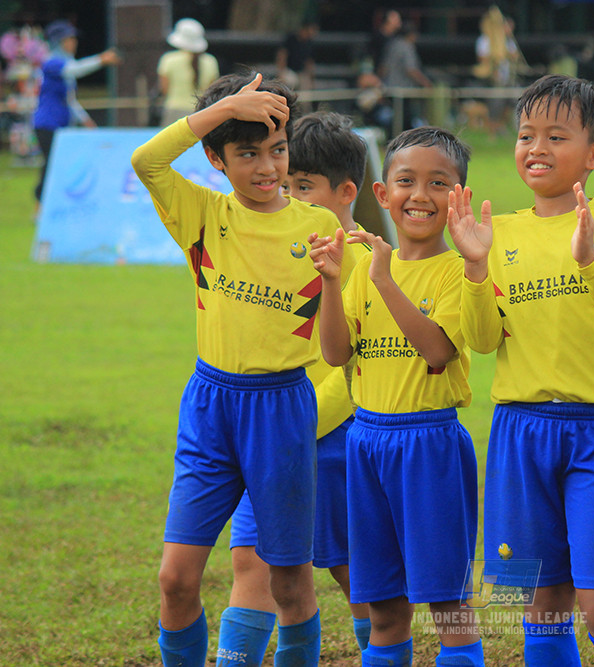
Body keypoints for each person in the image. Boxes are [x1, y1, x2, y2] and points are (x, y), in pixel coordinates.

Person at [447, 74, 594, 666]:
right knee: (537, 608)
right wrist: (475, 265)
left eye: (555, 136)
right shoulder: (501, 231)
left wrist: (590, 260)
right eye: (526, 135)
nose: (535, 148)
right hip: (521, 431)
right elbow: (484, 341)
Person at [131, 72, 335, 666]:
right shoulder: (202, 215)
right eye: (247, 152)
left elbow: (338, 342)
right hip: (211, 406)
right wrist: (225, 108)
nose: (267, 167)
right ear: (217, 159)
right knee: (175, 579)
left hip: (283, 408)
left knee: (291, 584)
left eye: (277, 149)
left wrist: (338, 283)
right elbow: (148, 160)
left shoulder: (319, 228)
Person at [308, 126, 484, 667]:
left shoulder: (460, 271)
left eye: (438, 183)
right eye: (406, 181)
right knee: (382, 609)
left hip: (429, 443)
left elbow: (436, 351)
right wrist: (335, 284)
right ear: (381, 194)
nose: (421, 195)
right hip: (366, 442)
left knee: (448, 605)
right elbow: (337, 354)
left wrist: (385, 280)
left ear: (458, 197)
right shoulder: (363, 272)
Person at [213, 111, 372, 666]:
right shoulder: (276, 248)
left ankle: (383, 651)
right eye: (286, 184)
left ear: (345, 192)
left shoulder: (365, 263)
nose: (286, 193)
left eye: (302, 185)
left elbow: (357, 373)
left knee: (356, 575)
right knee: (253, 565)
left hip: (332, 446)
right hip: (271, 439)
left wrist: (300, 426)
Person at [32, 19, 119, 203]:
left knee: (57, 163)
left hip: (61, 124)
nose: (73, 43)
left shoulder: (64, 63)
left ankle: (50, 201)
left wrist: (85, 119)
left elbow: (70, 99)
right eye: (69, 39)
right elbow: (75, 70)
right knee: (51, 164)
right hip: (47, 123)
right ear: (59, 41)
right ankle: (41, 203)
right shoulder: (52, 63)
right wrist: (101, 60)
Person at [157, 18, 219, 127]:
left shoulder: (168, 59)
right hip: (200, 112)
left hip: (173, 111)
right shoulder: (210, 61)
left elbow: (164, 89)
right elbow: (212, 90)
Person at [473, 6, 523, 138]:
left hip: (506, 78)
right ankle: (491, 129)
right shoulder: (486, 40)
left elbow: (515, 56)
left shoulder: (508, 41)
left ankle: (500, 125)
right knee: (495, 102)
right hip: (492, 78)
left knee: (511, 100)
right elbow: (482, 58)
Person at [380, 22, 432, 134]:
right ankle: (404, 142)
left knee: (395, 117)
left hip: (390, 88)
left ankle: (390, 140)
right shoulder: (406, 46)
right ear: (411, 34)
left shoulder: (392, 45)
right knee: (405, 117)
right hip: (404, 90)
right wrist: (425, 82)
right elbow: (411, 69)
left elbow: (383, 68)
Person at [275, 21, 318, 93]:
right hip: (289, 70)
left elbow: (309, 62)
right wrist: (281, 72)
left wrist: (311, 78)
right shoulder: (291, 38)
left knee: (306, 87)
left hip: (301, 72)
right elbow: (282, 55)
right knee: (290, 83)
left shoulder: (309, 43)